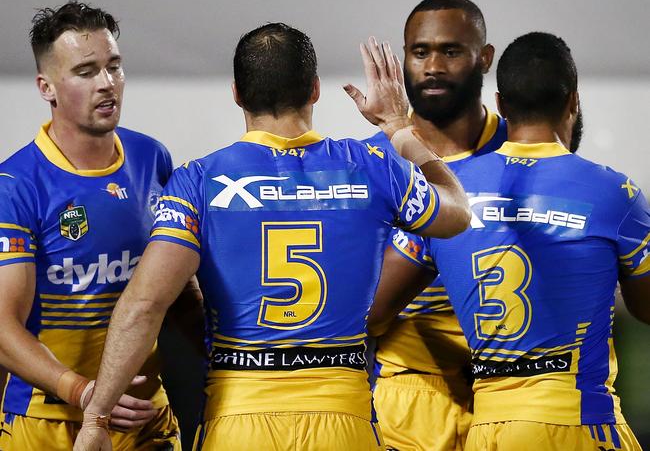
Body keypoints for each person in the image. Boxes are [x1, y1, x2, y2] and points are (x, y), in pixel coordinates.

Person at [72, 23, 471, 450]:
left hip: (239, 420)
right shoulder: (372, 166)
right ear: (315, 90)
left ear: (237, 94)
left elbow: (145, 303)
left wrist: (97, 419)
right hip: (343, 419)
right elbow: (456, 213)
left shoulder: (200, 181)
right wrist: (397, 127)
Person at [373, 32, 649, 450]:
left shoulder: (452, 198)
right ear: (573, 100)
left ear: (500, 104)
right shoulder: (617, 193)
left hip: (493, 429)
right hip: (583, 423)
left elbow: (372, 312)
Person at [0, 1, 189, 450]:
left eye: (114, 67)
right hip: (49, 420)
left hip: (144, 416)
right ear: (47, 87)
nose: (107, 84)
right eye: (86, 72)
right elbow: (3, 328)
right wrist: (84, 394)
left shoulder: (152, 159)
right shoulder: (16, 186)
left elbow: (175, 290)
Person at [346, 0, 506, 451]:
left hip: (511, 393)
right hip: (407, 397)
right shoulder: (369, 163)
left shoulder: (523, 151)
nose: (433, 66)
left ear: (485, 57)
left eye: (450, 51)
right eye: (420, 52)